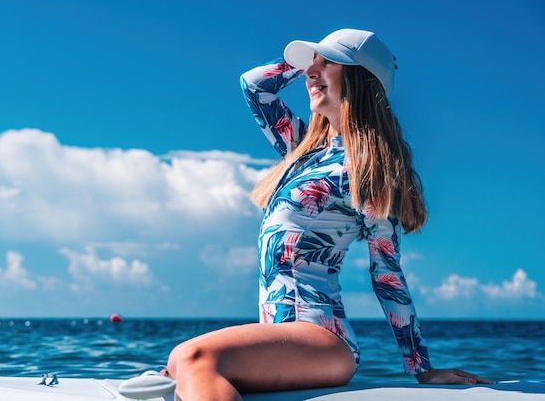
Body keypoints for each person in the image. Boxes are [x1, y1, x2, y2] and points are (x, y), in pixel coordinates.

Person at [119, 28, 491, 401]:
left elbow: (387, 275)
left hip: (322, 339)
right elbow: (254, 86)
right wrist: (309, 64)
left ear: (360, 79)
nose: (313, 73)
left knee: (192, 356)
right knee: (179, 364)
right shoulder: (303, 152)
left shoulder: (366, 170)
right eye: (313, 64)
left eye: (328, 63)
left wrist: (422, 370)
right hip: (280, 337)